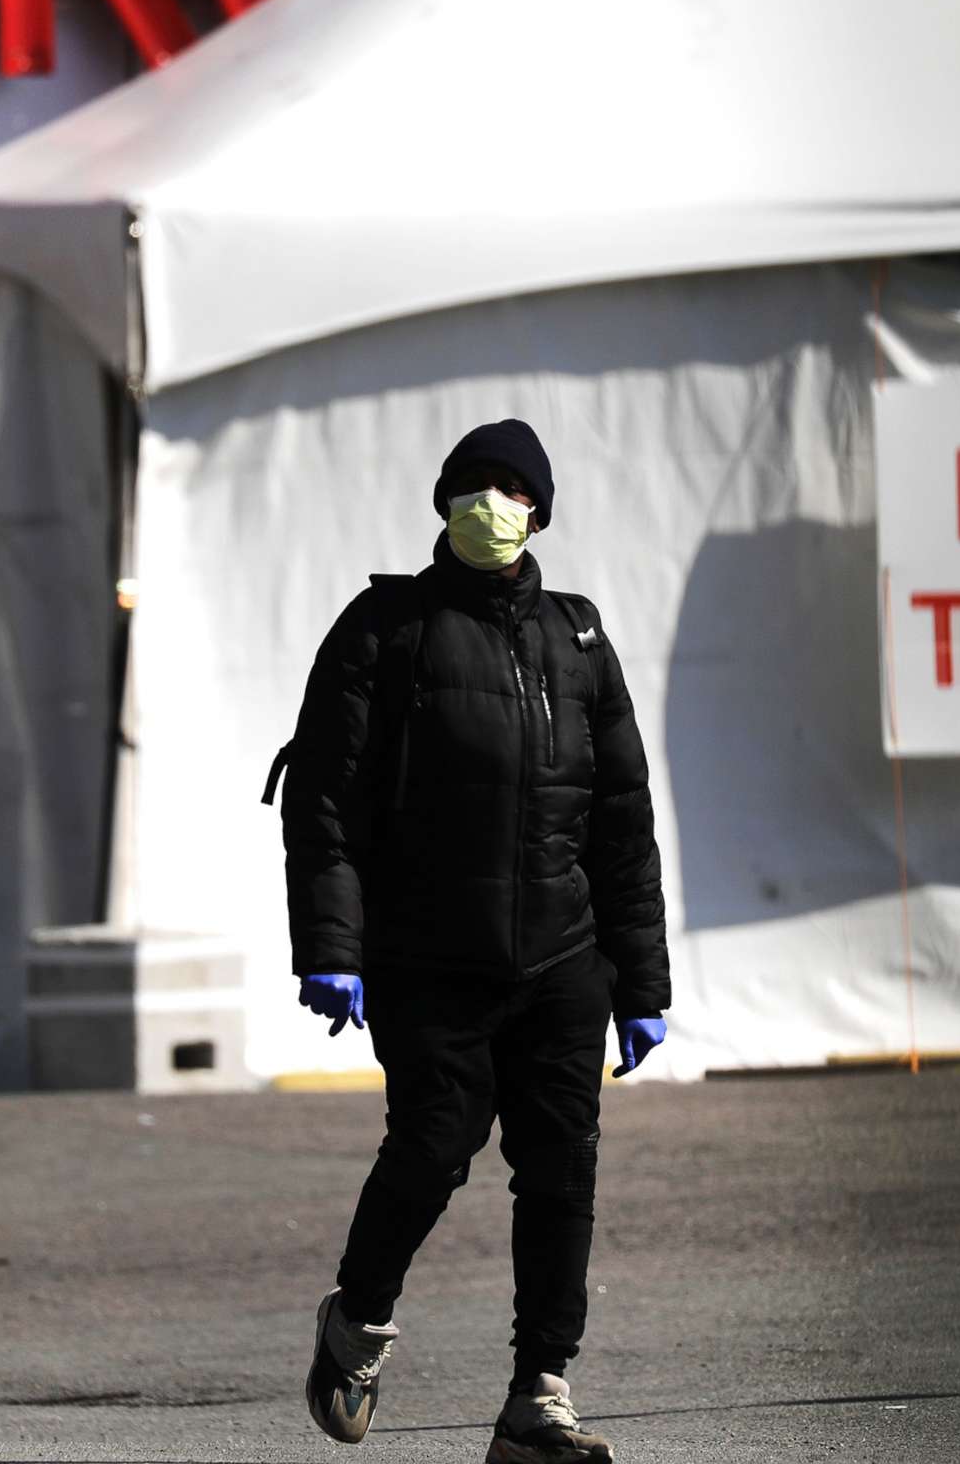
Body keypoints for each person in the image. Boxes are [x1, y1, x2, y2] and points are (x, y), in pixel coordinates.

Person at [270, 418, 670, 1464]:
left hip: (562, 963)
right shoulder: (385, 630)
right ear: (445, 500)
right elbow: (323, 803)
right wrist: (333, 946)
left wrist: (641, 982)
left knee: (561, 1172)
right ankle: (354, 1325)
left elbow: (622, 822)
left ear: (539, 512)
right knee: (435, 1145)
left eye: (512, 488)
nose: (493, 504)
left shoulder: (579, 640)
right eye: (475, 485)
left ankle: (540, 1396)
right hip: (429, 958)